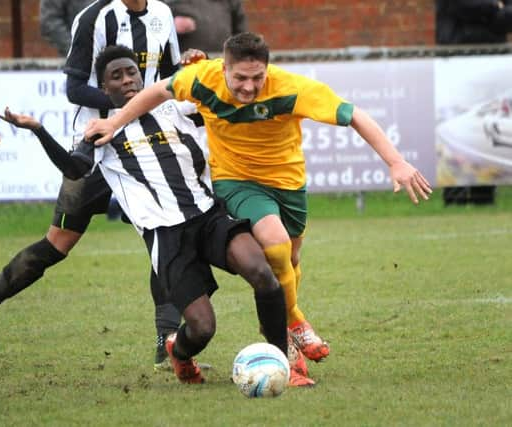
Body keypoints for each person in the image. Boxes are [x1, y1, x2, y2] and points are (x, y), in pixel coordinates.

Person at [84, 32, 433, 382]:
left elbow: (354, 115)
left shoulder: (291, 88)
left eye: (257, 78)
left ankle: (290, 316)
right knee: (275, 244)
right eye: (240, 78)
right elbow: (156, 91)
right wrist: (114, 123)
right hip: (236, 180)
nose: (249, 87)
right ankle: (291, 334)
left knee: (290, 262)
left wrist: (396, 162)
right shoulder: (202, 78)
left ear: (267, 70)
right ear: (224, 69)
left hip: (288, 183)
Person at [0, 44, 290, 385]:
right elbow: (76, 170)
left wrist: (205, 64)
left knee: (262, 272)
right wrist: (37, 129)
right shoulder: (99, 131)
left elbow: (219, 96)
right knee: (202, 328)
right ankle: (178, 354)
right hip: (166, 236)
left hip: (208, 216)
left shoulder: (174, 106)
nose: (126, 80)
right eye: (115, 77)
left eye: (131, 72)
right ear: (104, 88)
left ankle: (282, 362)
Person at [0, 0, 188, 372]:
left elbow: (171, 76)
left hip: (147, 147)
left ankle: (168, 345)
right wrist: (125, 103)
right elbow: (75, 88)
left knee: (163, 238)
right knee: (57, 244)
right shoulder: (93, 17)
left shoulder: (162, 14)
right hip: (96, 149)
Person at [435, 0, 512, 205]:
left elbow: (508, 17)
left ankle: (484, 196)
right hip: (456, 62)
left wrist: (491, 13)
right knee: (454, 126)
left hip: (493, 65)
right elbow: (456, 7)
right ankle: (454, 196)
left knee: (486, 127)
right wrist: (493, 9)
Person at [162, 0, 247, 53]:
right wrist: (171, 26)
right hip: (187, 62)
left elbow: (240, 32)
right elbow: (154, 18)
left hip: (220, 60)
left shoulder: (231, 2)